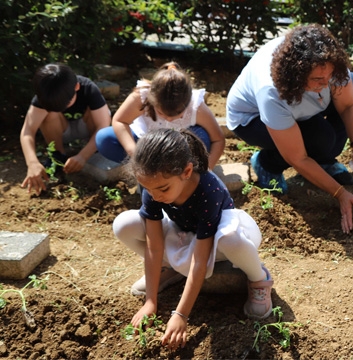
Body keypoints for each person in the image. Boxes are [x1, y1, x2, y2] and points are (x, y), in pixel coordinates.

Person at [112, 128, 273, 351]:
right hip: (184, 231)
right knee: (124, 224)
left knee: (231, 239)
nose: (155, 196)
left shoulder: (208, 190)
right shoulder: (154, 187)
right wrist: (151, 301)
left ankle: (259, 279)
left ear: (187, 171)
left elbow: (200, 259)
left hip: (221, 239)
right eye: (149, 189)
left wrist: (180, 314)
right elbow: (154, 246)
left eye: (162, 189)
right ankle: (170, 269)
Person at [226, 24, 353, 234]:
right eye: (317, 80)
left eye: (329, 77)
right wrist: (340, 193)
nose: (326, 85)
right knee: (321, 139)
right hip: (253, 121)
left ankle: (323, 162)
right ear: (297, 74)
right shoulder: (272, 91)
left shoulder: (326, 66)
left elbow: (349, 104)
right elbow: (298, 158)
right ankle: (267, 164)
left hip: (299, 108)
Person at [96, 62, 225, 170]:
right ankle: (146, 170)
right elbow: (119, 121)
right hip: (146, 145)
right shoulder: (141, 96)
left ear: (187, 103)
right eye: (161, 113)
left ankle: (183, 173)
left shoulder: (196, 105)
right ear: (152, 100)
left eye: (177, 114)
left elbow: (218, 139)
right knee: (104, 139)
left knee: (202, 138)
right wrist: (134, 153)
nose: (169, 119)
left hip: (179, 148)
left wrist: (206, 171)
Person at [20, 63, 111, 195]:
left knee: (100, 114)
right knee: (49, 114)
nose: (61, 108)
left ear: (77, 87)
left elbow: (103, 125)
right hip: (61, 129)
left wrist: (83, 156)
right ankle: (58, 155)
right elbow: (27, 131)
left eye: (66, 103)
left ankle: (93, 150)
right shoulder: (45, 94)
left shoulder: (88, 88)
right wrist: (32, 162)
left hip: (87, 128)